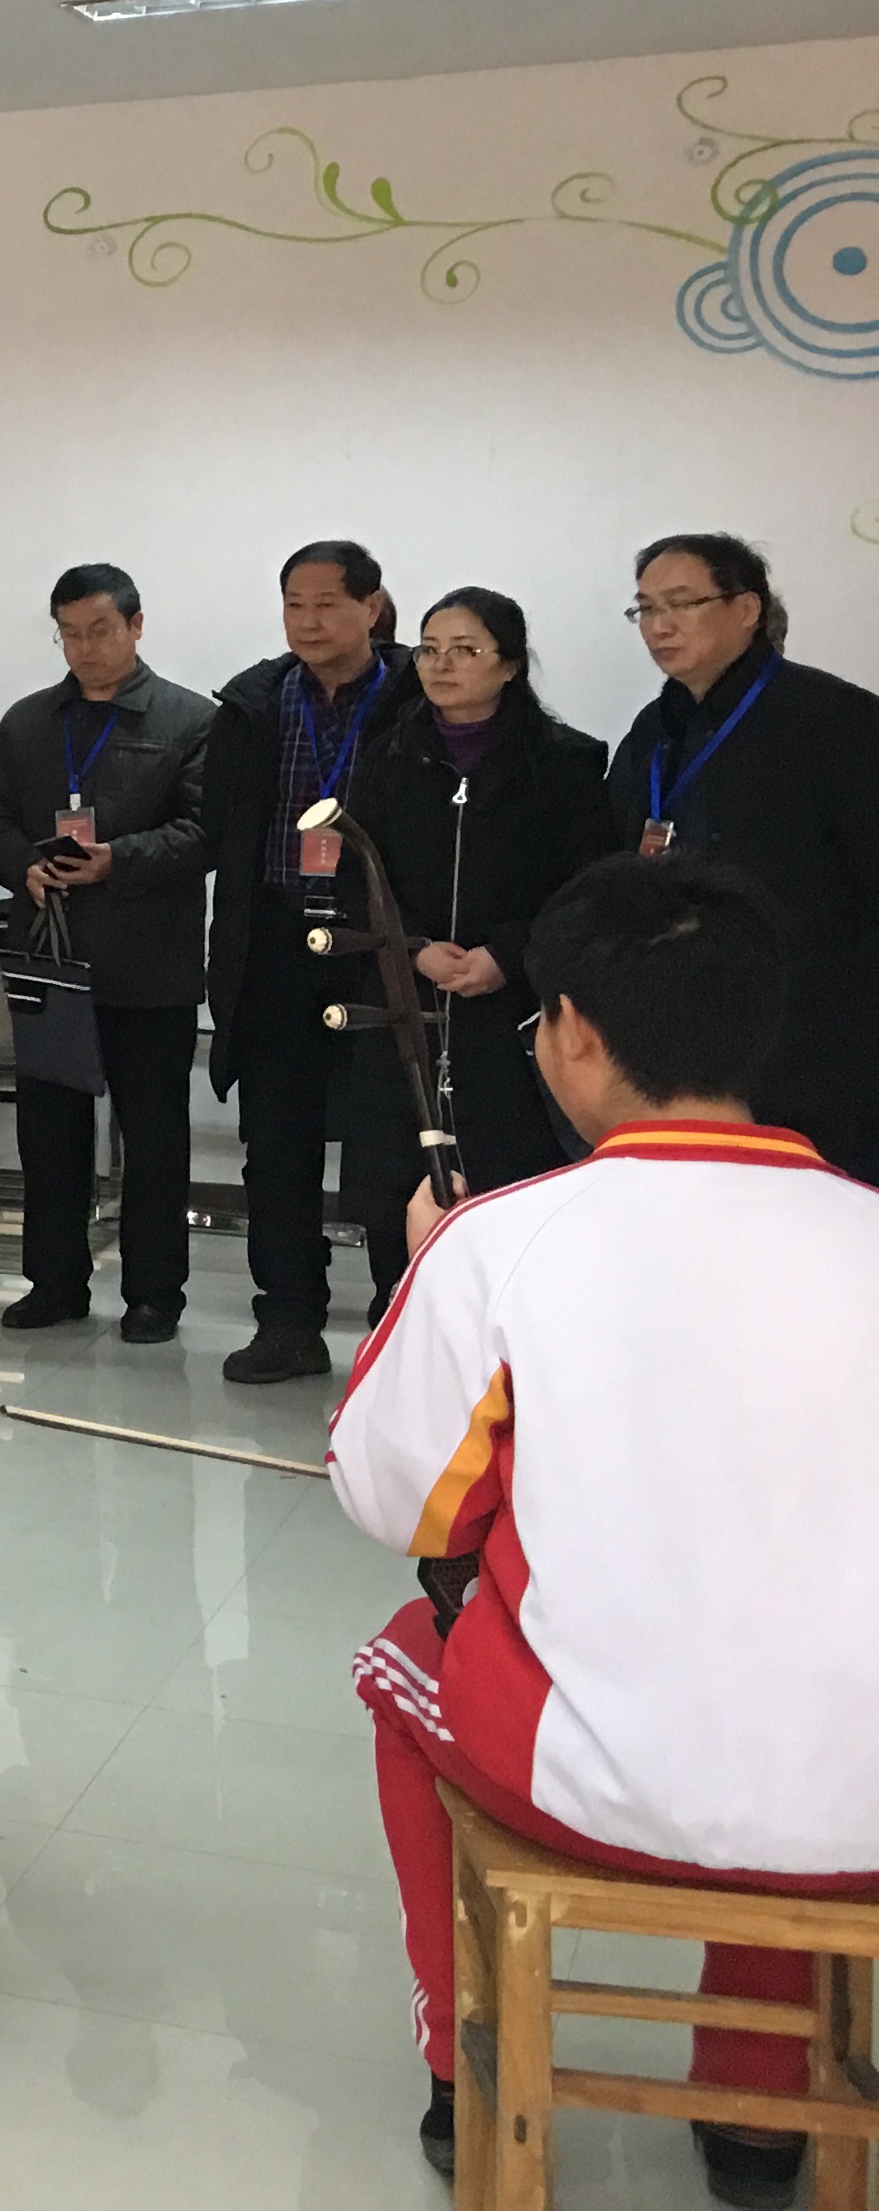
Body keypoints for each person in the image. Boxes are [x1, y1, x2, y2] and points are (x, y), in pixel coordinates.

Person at [336, 857, 879, 2201]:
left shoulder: (505, 1241)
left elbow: (394, 1498)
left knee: (402, 1660)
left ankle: (463, 2068)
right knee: (803, 1682)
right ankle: (758, 2114)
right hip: (864, 1806)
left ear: (573, 1032)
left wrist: (425, 1268)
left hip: (591, 1785)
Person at [0, 564, 216, 1340]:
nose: (84, 648)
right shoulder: (29, 722)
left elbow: (205, 831)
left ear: (136, 626)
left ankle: (153, 1295)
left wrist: (119, 862)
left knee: (154, 1140)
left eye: (99, 631)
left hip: (150, 967)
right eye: (68, 634)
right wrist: (23, 866)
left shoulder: (191, 720)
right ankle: (54, 1283)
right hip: (51, 960)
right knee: (49, 1135)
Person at [202, 540, 415, 1383]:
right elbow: (222, 826)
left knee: (388, 1144)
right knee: (277, 1144)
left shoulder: (414, 698)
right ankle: (288, 1320)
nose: (309, 621)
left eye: (328, 604)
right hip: (277, 943)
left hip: (377, 947)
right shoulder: (254, 703)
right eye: (295, 604)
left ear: (372, 606)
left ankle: (399, 1319)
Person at [606, 533, 879, 1176]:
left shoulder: (838, 721)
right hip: (684, 1037)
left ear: (747, 609)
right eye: (645, 608)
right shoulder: (652, 731)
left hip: (819, 1041)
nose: (658, 626)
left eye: (681, 603)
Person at [340, 587, 616, 1207]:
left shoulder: (566, 764)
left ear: (510, 665)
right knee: (400, 1186)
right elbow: (356, 875)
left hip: (515, 1008)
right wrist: (414, 947)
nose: (441, 664)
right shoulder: (388, 754)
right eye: (429, 649)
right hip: (406, 1002)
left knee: (511, 1183)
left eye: (465, 650)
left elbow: (587, 889)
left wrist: (506, 955)